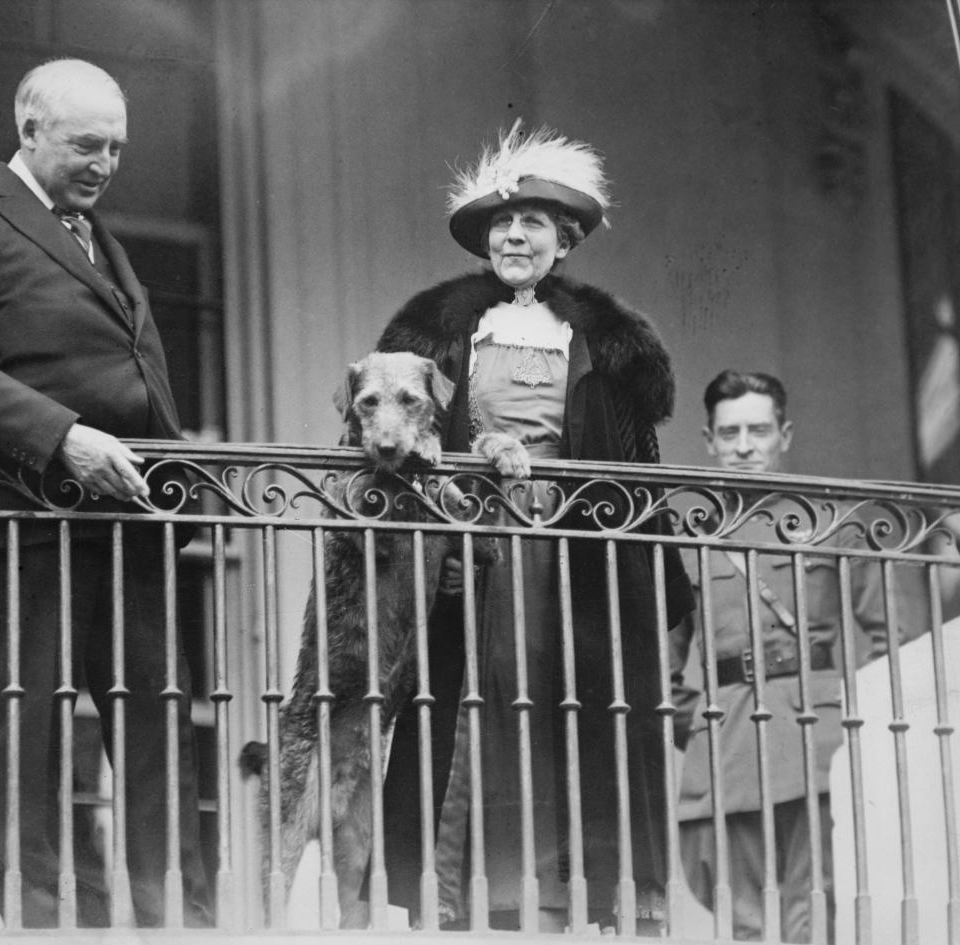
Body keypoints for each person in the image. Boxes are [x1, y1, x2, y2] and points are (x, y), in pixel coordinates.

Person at [0, 58, 209, 928]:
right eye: (85, 143)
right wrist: (62, 438)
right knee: (32, 725)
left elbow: (136, 369)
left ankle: (174, 914)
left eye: (117, 147)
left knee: (158, 731)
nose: (105, 162)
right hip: (31, 513)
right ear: (29, 130)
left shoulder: (99, 236)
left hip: (133, 521)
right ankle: (45, 919)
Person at [373, 121, 695, 933]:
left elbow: (633, 457)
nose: (513, 236)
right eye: (501, 226)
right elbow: (398, 435)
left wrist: (652, 573)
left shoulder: (602, 342)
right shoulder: (442, 332)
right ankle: (459, 897)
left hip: (571, 556)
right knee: (465, 715)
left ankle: (561, 901)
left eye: (533, 225)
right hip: (469, 549)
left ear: (567, 240)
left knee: (569, 719)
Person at [670, 369, 927, 943]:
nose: (743, 447)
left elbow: (891, 634)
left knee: (818, 908)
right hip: (729, 745)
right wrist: (703, 722)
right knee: (742, 919)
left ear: (784, 434)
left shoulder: (834, 525)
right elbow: (665, 662)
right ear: (708, 440)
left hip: (819, 738)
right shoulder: (690, 541)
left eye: (757, 431)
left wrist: (856, 718)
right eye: (729, 433)